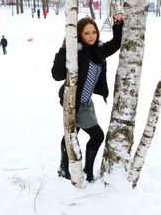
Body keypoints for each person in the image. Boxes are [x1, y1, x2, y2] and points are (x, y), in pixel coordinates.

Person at [51, 13, 124, 182]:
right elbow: (56, 75)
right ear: (79, 34)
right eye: (86, 33)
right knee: (97, 136)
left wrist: (118, 24)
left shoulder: (98, 50)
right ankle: (87, 170)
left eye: (94, 32)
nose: (91, 36)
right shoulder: (76, 52)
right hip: (73, 102)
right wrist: (64, 48)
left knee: (72, 132)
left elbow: (116, 44)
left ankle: (64, 168)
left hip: (85, 101)